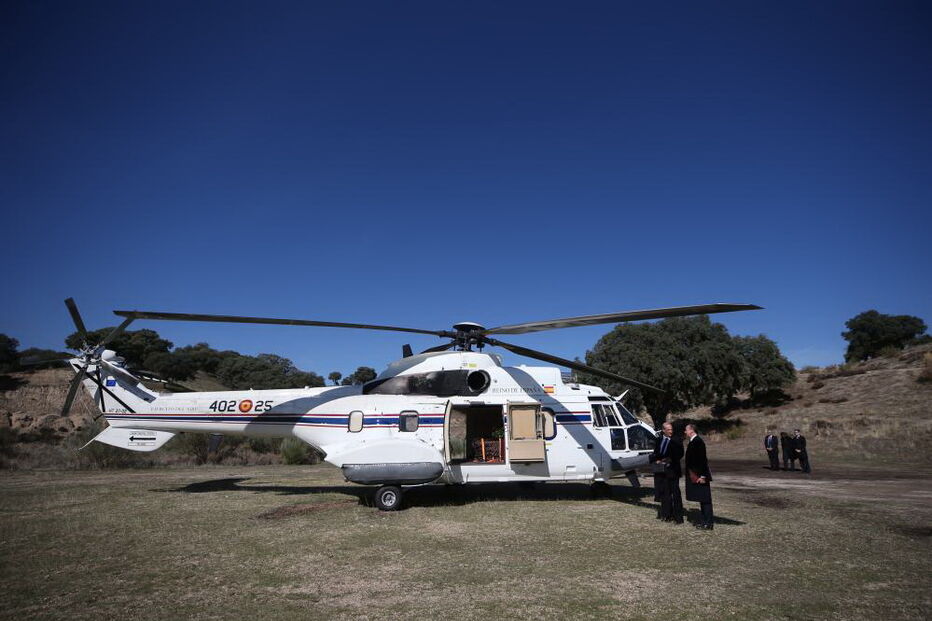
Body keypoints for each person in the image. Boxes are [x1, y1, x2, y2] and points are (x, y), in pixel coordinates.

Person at [650, 422, 684, 523]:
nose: (670, 431)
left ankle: (678, 517)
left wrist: (666, 460)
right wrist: (656, 460)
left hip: (673, 471)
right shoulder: (659, 439)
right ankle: (666, 515)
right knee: (665, 494)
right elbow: (656, 453)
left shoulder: (677, 440)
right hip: (662, 471)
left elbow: (680, 454)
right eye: (668, 430)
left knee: (676, 494)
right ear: (663, 430)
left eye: (671, 429)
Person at [684, 423, 714, 530]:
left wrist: (702, 476)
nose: (685, 432)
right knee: (702, 499)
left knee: (705, 499)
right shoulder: (693, 441)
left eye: (686, 430)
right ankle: (704, 521)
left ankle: (708, 523)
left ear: (691, 430)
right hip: (696, 474)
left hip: (701, 475)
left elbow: (702, 460)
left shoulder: (698, 442)